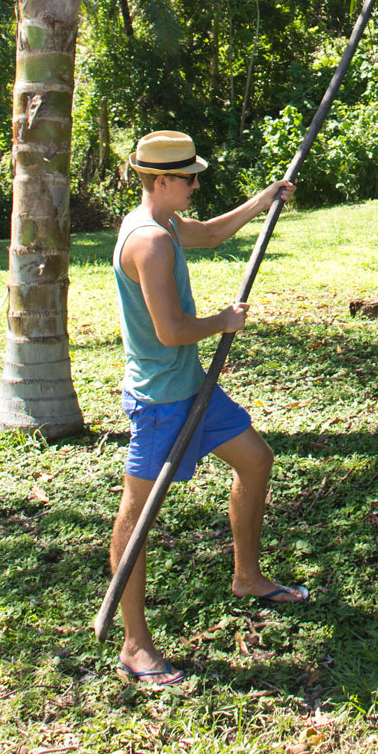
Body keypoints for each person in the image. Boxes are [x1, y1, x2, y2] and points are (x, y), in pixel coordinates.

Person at [109, 128, 305, 688]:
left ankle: (247, 577)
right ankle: (135, 644)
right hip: (160, 403)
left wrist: (264, 200)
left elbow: (212, 234)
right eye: (189, 177)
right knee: (137, 519)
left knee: (256, 461)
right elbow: (170, 331)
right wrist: (222, 321)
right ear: (162, 180)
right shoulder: (148, 241)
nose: (196, 183)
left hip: (193, 388)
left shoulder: (164, 224)